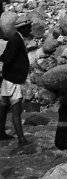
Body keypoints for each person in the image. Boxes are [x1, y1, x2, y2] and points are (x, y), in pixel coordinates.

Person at [0, 11, 29, 146]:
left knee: (4, 106)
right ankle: (22, 139)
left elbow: (5, 56)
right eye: (27, 26)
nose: (30, 28)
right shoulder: (17, 40)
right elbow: (7, 58)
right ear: (22, 28)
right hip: (14, 80)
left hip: (9, 78)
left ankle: (1, 133)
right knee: (16, 111)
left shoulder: (16, 38)